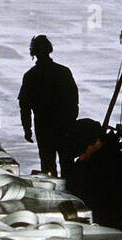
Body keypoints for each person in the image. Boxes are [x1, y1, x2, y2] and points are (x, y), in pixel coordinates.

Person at [61, 118, 122, 230]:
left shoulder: (104, 164)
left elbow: (74, 190)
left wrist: (77, 166)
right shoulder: (110, 156)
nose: (82, 155)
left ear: (95, 142)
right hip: (105, 217)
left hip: (105, 223)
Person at [18, 35, 78, 176]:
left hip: (44, 126)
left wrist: (27, 129)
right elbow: (74, 100)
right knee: (67, 163)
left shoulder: (31, 76)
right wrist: (71, 122)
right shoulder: (63, 72)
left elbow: (24, 106)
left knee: (47, 164)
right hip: (65, 126)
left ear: (33, 52)